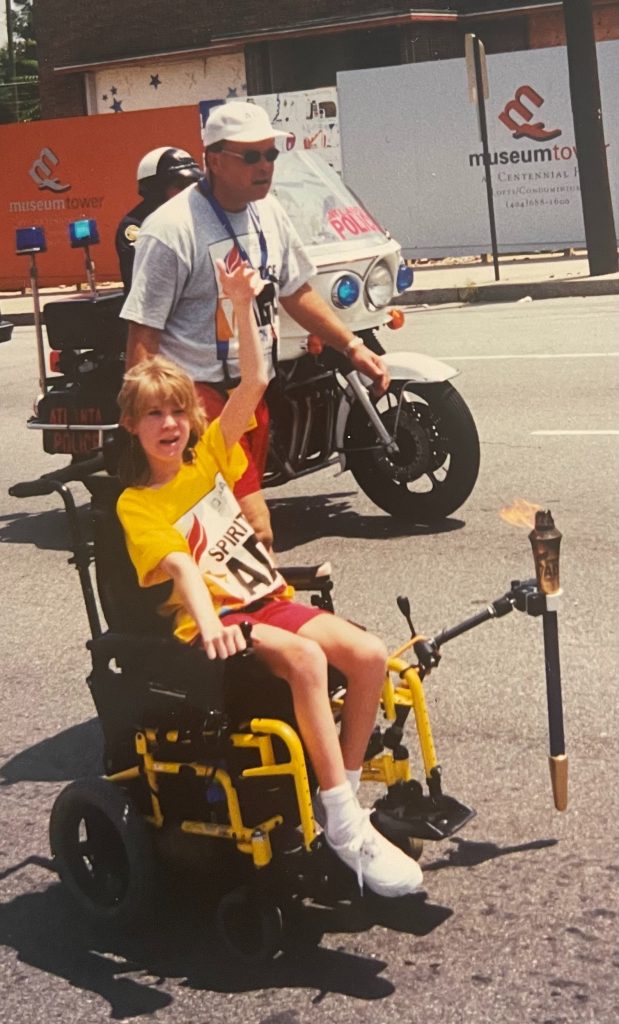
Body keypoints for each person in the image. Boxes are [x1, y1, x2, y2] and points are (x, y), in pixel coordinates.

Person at [116, 258, 421, 899]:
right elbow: (177, 565)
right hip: (218, 626)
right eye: (154, 416)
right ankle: (343, 821)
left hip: (267, 601)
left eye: (177, 411)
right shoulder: (137, 503)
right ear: (132, 426)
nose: (170, 423)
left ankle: (345, 806)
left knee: (368, 656)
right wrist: (208, 624)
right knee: (308, 661)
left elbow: (255, 379)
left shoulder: (208, 461)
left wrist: (240, 304)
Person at [120, 100, 391, 551]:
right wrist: (141, 424)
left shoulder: (269, 212)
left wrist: (351, 346)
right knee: (255, 528)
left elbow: (297, 291)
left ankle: (219, 615)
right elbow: (143, 335)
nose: (265, 165)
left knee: (217, 533)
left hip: (251, 392)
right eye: (251, 156)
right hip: (198, 400)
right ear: (213, 159)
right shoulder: (170, 229)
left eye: (270, 154)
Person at [115, 147, 202, 293]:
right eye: (181, 185)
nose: (190, 191)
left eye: (194, 184)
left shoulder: (194, 218)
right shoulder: (135, 226)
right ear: (156, 188)